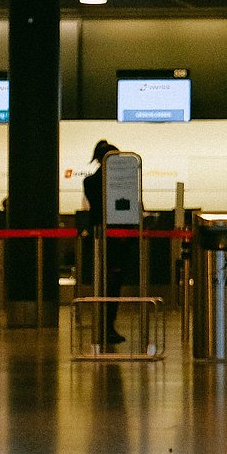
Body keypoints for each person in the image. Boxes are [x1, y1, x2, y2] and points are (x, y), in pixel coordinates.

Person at [83, 140, 134, 344]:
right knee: (110, 284)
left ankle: (107, 325)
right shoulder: (97, 182)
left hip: (110, 239)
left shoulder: (93, 182)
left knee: (111, 284)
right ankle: (106, 326)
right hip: (109, 240)